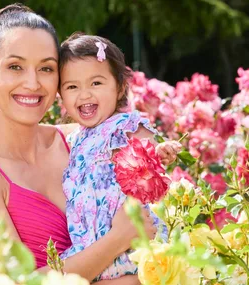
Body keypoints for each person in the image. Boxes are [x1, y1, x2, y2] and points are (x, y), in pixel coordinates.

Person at [0, 4, 155, 284]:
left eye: (46, 68)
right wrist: (118, 239)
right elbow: (16, 282)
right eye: (15, 67)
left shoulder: (82, 140)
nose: (33, 83)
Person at [59, 33, 182, 281]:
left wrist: (158, 152)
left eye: (96, 83)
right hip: (93, 244)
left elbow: (145, 149)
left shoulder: (123, 125)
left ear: (120, 88)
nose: (84, 95)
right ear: (60, 95)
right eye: (72, 86)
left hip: (131, 241)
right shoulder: (75, 138)